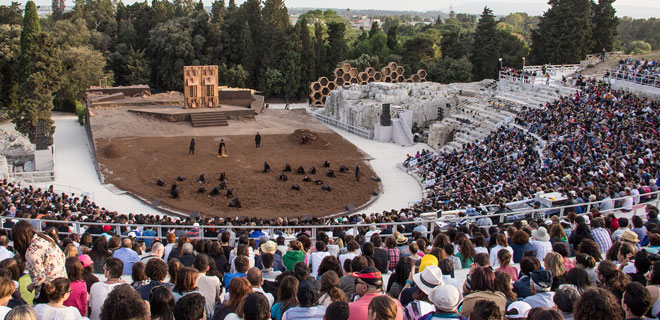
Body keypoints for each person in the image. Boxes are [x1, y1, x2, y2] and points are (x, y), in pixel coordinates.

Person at [11, 221, 66, 303]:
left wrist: (32, 286)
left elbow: (40, 277)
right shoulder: (45, 238)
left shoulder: (31, 251)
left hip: (48, 288)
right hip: (62, 281)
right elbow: (62, 256)